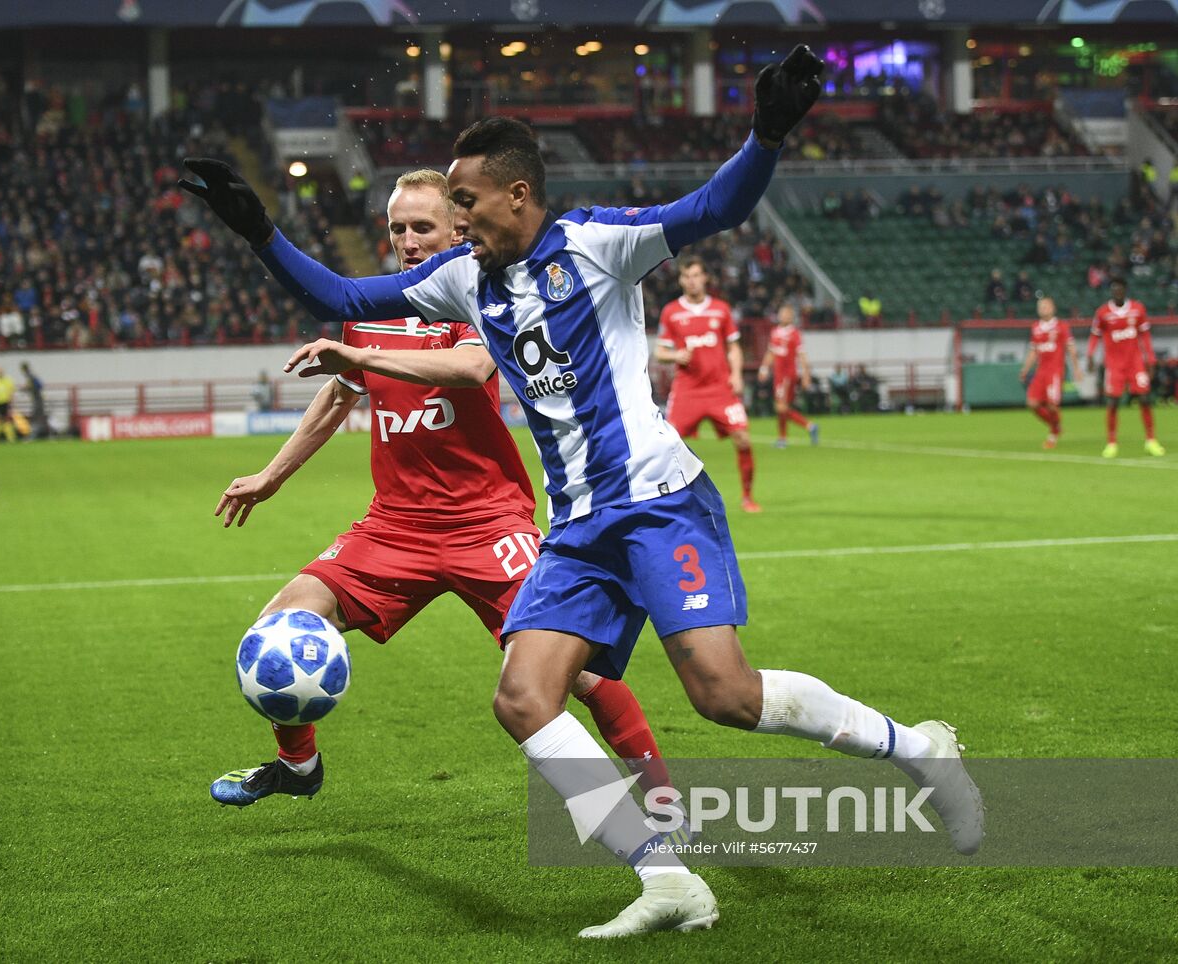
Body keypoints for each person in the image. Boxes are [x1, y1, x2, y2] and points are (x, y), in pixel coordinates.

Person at [182, 45, 983, 939]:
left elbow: (716, 205)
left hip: (657, 504)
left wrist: (767, 132)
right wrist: (259, 231)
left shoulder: (600, 245)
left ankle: (919, 749)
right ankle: (669, 880)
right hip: (575, 529)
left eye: (466, 202)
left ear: (517, 195)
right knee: (524, 699)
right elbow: (339, 290)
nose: (455, 218)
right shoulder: (463, 279)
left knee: (726, 697)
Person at [209, 168, 673, 816]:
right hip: (395, 526)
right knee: (279, 623)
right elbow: (340, 393)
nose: (407, 238)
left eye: (421, 226)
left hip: (488, 522)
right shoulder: (372, 307)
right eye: (397, 227)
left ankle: (664, 798)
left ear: (458, 229)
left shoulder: (479, 291)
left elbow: (472, 367)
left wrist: (363, 361)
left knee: (584, 669)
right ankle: (298, 765)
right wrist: (270, 475)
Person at [654, 254, 760, 513]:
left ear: (705, 278)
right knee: (667, 445)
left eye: (696, 276)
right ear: (681, 280)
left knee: (743, 439)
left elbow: (734, 347)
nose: (692, 281)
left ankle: (747, 497)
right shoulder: (672, 312)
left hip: (720, 389)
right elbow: (659, 352)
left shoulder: (721, 309)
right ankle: (666, 500)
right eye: (687, 276)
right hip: (687, 390)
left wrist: (736, 374)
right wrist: (675, 355)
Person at [1087, 277, 1164, 458]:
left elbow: (1145, 337)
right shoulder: (1103, 312)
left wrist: (1150, 360)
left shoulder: (1137, 309)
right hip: (1114, 365)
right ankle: (1112, 443)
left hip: (1135, 363)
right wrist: (1090, 355)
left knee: (1145, 398)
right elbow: (1094, 336)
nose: (1117, 292)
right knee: (1113, 402)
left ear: (1125, 290)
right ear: (1111, 291)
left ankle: (1151, 440)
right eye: (1114, 289)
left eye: (1120, 289)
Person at [1019, 296, 1080, 450]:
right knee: (1032, 403)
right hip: (1041, 372)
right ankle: (1056, 426)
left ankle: (1053, 434)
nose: (1042, 309)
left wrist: (1076, 368)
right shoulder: (1036, 327)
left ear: (1053, 308)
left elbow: (1070, 348)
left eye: (1045, 306)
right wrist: (1025, 369)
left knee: (1052, 405)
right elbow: (1034, 351)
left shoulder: (1061, 326)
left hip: (1055, 372)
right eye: (1040, 306)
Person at [758, 304, 819, 449]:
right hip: (778, 375)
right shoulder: (775, 332)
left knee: (781, 407)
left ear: (791, 317)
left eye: (786, 314)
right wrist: (764, 368)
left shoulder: (794, 333)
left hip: (787, 375)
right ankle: (783, 438)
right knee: (782, 407)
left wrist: (806, 375)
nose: (783, 315)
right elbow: (770, 352)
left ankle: (809, 426)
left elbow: (802, 355)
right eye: (781, 313)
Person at [20, 362, 49, 439]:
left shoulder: (30, 377)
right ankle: (48, 435)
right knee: (40, 417)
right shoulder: (31, 376)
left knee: (35, 417)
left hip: (37, 400)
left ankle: (32, 435)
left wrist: (25, 389)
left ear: (24, 369)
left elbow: (38, 385)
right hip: (38, 399)